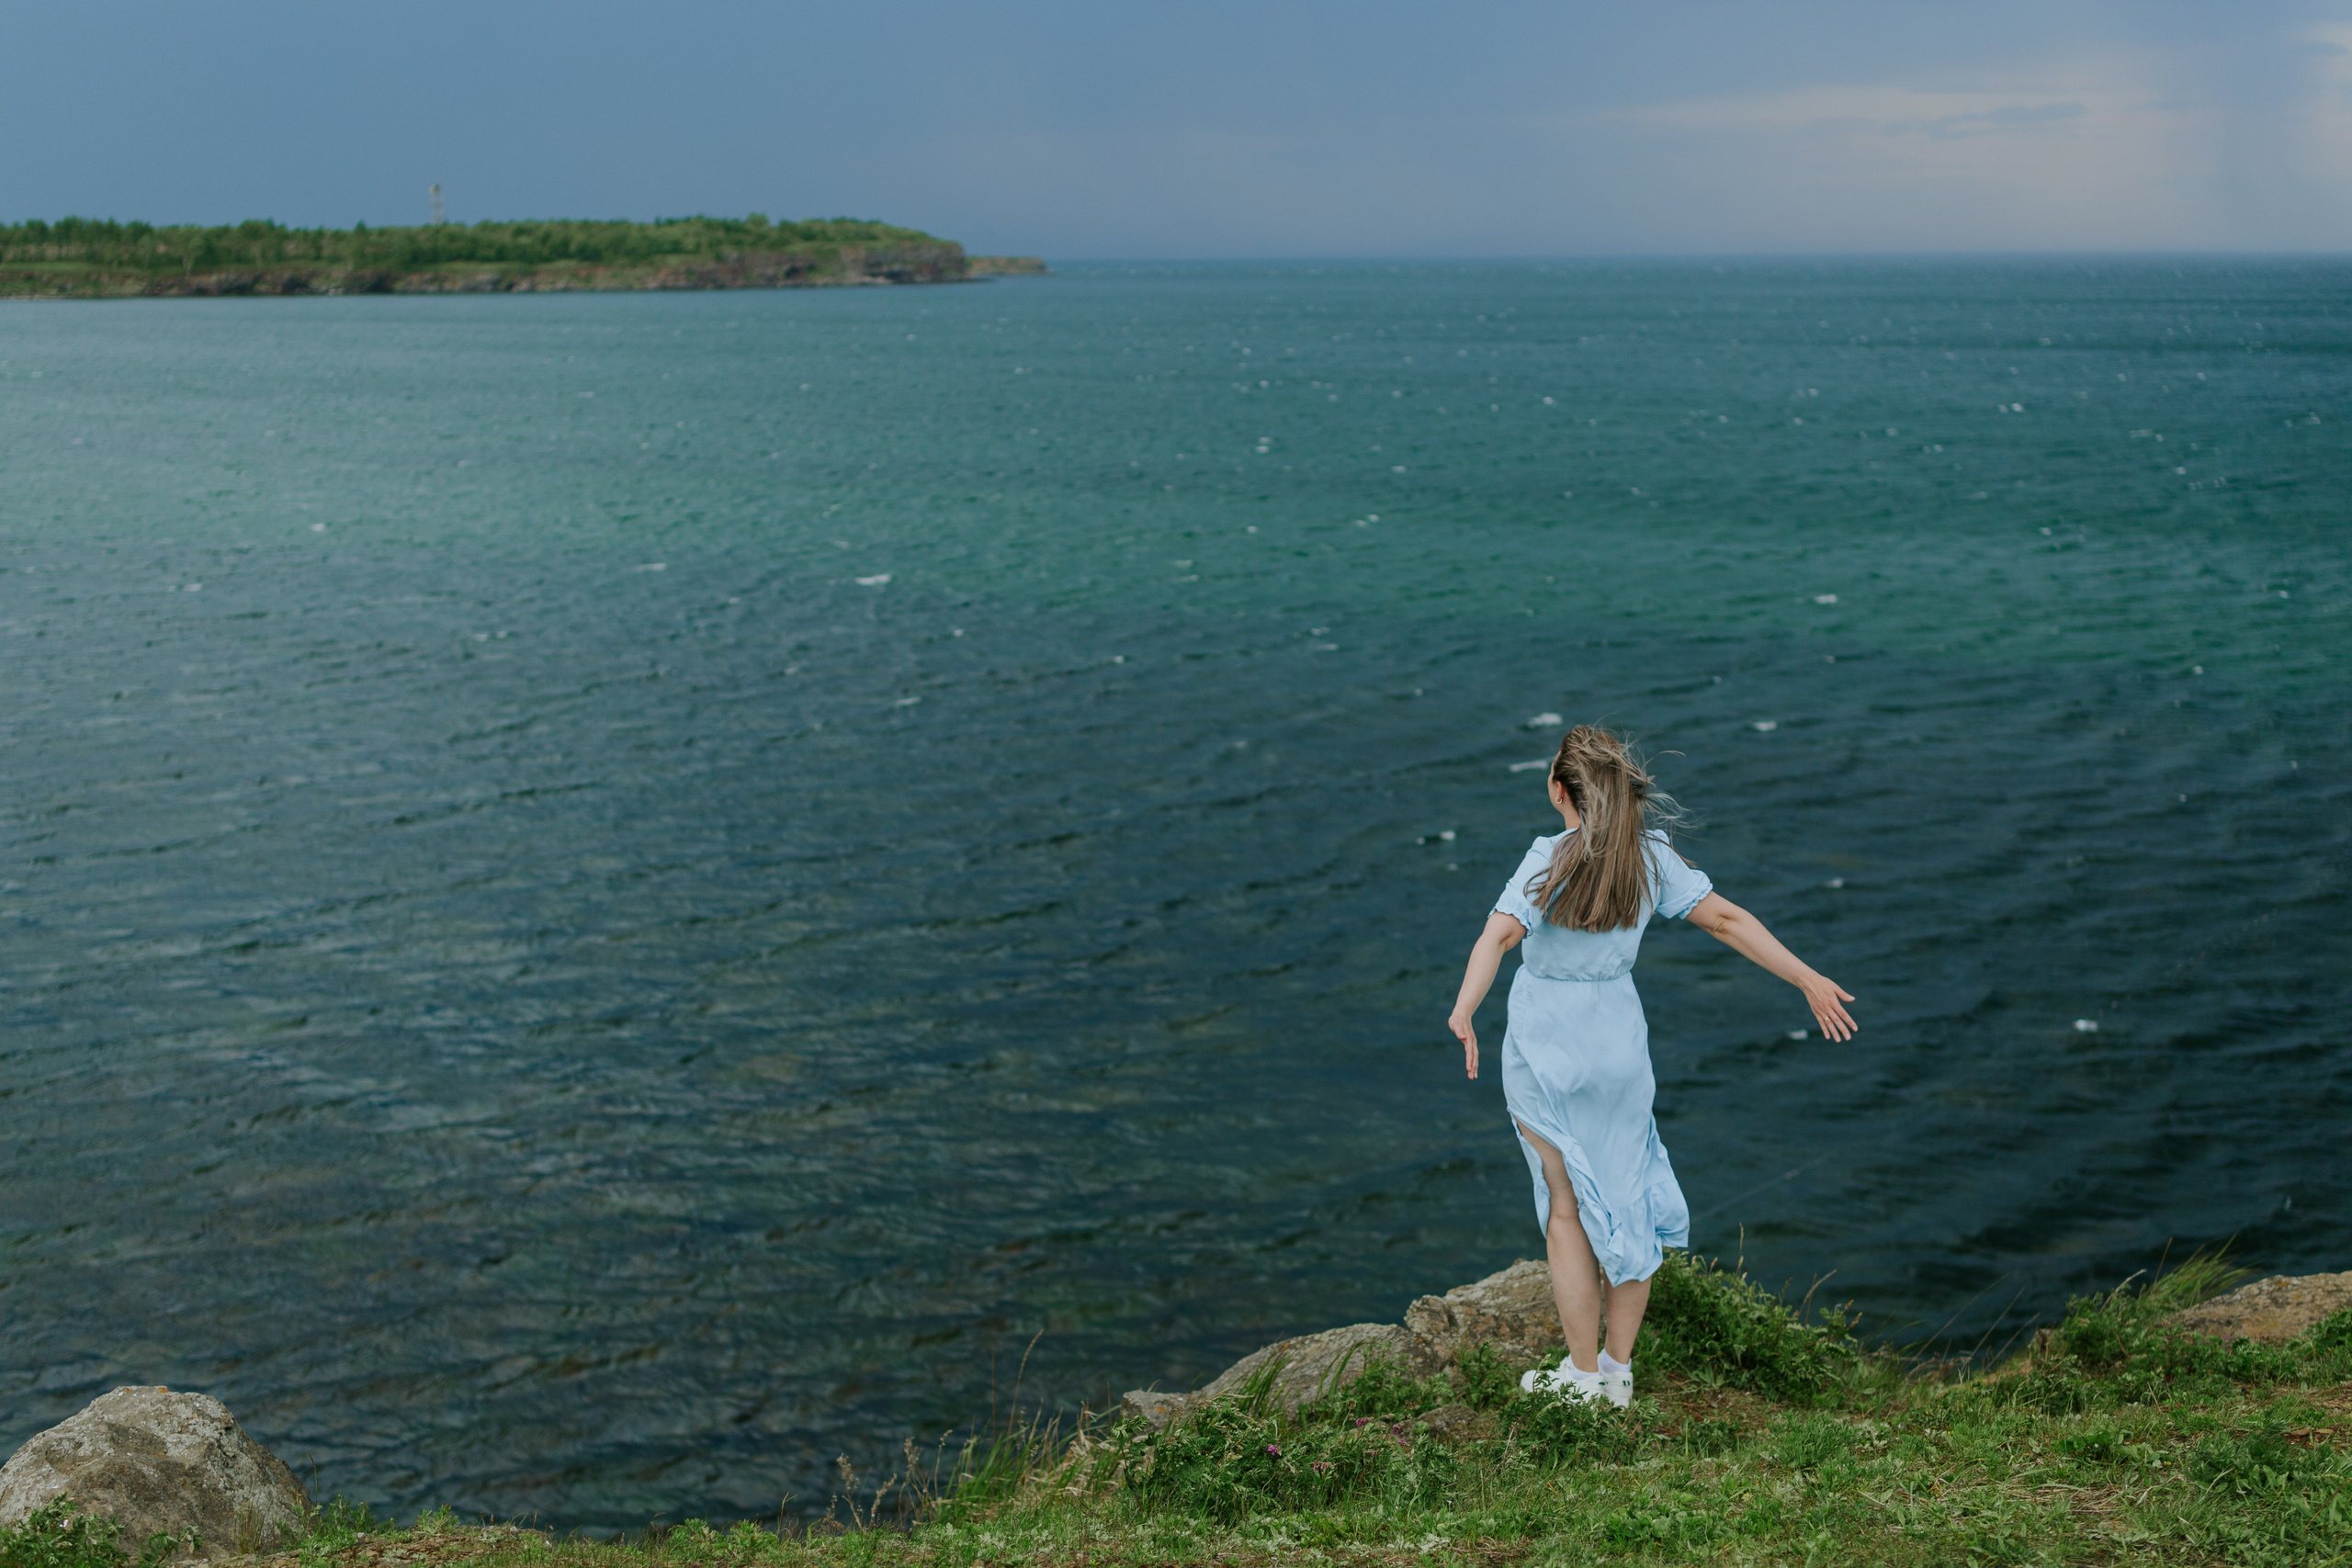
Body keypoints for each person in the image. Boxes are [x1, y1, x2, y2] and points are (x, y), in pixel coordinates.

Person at [1445, 725, 1856, 1408]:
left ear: (1558, 790)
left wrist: (1464, 1010)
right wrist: (1807, 978)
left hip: (1548, 1044)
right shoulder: (1650, 856)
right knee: (1629, 1190)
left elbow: (1499, 934)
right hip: (1619, 1045)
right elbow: (1727, 920)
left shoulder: (1550, 858)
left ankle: (1581, 1377)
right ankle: (1616, 1370)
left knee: (1566, 1207)